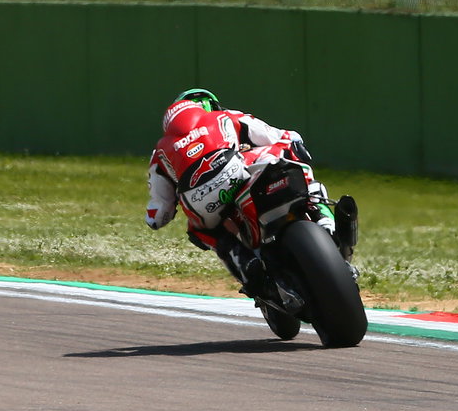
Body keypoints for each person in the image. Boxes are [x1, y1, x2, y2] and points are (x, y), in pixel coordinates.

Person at [144, 88, 346, 296]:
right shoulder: (225, 116)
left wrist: (152, 219)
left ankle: (243, 261)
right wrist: (295, 148)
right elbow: (277, 136)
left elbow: (159, 213)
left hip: (199, 201)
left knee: (199, 230)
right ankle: (323, 219)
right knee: (295, 164)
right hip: (238, 170)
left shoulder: (160, 151)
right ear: (207, 105)